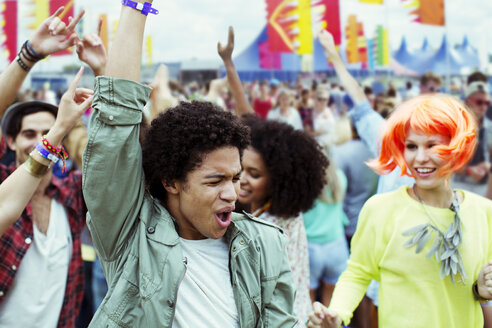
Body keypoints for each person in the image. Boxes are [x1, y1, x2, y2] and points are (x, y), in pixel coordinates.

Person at [83, 3, 298, 327]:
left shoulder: (265, 244)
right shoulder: (132, 236)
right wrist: (136, 8)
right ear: (171, 181)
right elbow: (118, 119)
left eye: (235, 178)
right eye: (214, 181)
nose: (232, 194)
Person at [307, 93, 492, 328]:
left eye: (432, 145)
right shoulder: (380, 209)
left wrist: (482, 290)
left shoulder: (484, 212)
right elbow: (357, 273)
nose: (420, 158)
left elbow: (475, 287)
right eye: (411, 146)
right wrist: (337, 314)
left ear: (455, 147)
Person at [217, 26, 329, 325]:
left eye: (254, 174)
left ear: (278, 179)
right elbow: (248, 120)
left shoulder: (273, 225)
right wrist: (229, 63)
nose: (242, 180)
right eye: (240, 171)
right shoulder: (269, 209)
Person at [0, 8, 102, 328]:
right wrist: (29, 56)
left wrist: (103, 72)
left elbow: (120, 161)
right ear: (10, 142)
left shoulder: (72, 190)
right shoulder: (3, 191)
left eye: (47, 132)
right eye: (29, 134)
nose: (39, 141)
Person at [303, 149, 349, 307]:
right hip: (336, 244)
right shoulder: (340, 178)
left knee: (308, 303)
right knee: (333, 304)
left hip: (310, 247)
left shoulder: (304, 185)